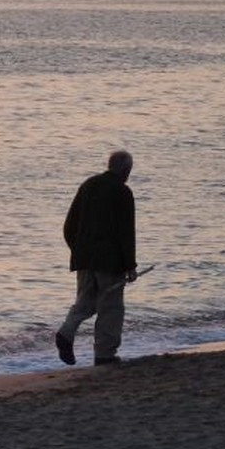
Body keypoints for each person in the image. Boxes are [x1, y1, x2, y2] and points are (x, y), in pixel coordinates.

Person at [55, 150, 138, 366]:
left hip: (83, 259)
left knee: (85, 302)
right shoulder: (122, 192)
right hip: (110, 263)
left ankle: (66, 332)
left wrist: (78, 251)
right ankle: (104, 354)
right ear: (126, 170)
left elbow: (69, 226)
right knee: (111, 307)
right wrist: (130, 265)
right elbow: (125, 233)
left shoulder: (88, 185)